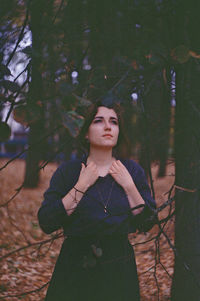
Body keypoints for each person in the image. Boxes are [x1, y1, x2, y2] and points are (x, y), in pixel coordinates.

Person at [38, 101, 156, 301]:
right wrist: (82, 185)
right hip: (75, 265)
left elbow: (147, 221)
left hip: (119, 267)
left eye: (114, 122)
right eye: (99, 121)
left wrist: (128, 185)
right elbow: (47, 221)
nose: (108, 127)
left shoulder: (132, 171)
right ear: (86, 133)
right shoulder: (69, 172)